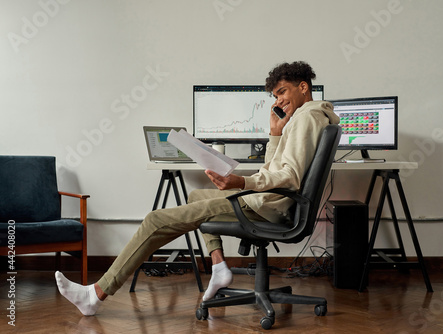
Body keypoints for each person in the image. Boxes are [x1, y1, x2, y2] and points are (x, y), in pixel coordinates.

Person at [55, 61, 340, 316]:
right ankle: (219, 269)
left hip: (265, 208)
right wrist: (276, 134)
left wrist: (241, 182)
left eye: (283, 92)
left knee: (156, 220)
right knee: (196, 195)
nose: (278, 100)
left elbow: (288, 176)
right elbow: (277, 168)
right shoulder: (312, 117)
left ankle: (96, 294)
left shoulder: (305, 118)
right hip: (269, 203)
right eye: (275, 95)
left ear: (303, 87)